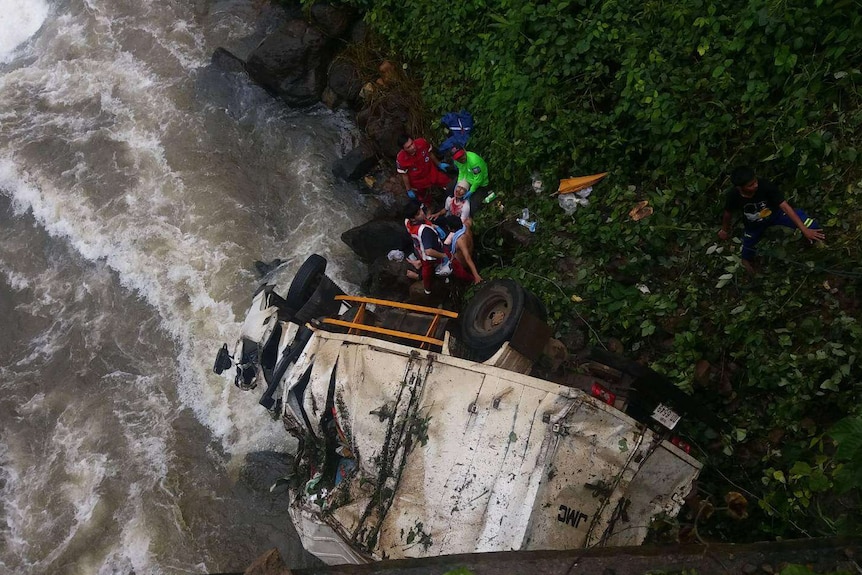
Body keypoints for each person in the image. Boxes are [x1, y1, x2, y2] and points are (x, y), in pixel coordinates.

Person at [718, 166, 825, 272]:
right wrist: (724, 230)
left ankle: (813, 242)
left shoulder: (765, 185)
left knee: (809, 224)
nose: (755, 185)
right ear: (740, 187)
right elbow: (728, 213)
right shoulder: (733, 196)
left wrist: (804, 230)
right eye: (750, 185)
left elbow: (785, 206)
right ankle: (748, 265)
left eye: (755, 181)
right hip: (754, 225)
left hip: (776, 215)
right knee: (747, 249)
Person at [403, 201, 449, 294]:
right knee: (427, 271)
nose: (422, 213)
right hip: (429, 255)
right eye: (418, 213)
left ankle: (418, 263)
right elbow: (429, 251)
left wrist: (434, 226)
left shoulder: (407, 222)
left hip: (419, 247)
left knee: (425, 264)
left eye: (420, 210)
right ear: (413, 218)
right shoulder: (424, 231)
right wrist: (444, 255)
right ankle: (427, 289)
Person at [396, 134, 451, 209]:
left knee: (447, 182)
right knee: (424, 197)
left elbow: (430, 153)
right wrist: (408, 189)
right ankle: (429, 207)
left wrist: (439, 164)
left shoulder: (422, 143)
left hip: (431, 172)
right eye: (408, 147)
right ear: (403, 149)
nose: (412, 147)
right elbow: (404, 175)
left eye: (412, 143)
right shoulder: (401, 158)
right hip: (418, 181)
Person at [443, 215, 482, 284]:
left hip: (462, 264)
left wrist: (476, 275)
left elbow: (467, 258)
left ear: (451, 229)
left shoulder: (460, 240)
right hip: (471, 252)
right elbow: (469, 219)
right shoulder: (466, 225)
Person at [450, 145, 489, 214]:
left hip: (480, 184)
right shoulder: (457, 162)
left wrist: (471, 191)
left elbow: (479, 179)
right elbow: (461, 171)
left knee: (472, 207)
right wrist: (459, 183)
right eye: (458, 158)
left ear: (465, 151)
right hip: (468, 179)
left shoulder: (474, 161)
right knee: (450, 189)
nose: (461, 159)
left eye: (462, 155)